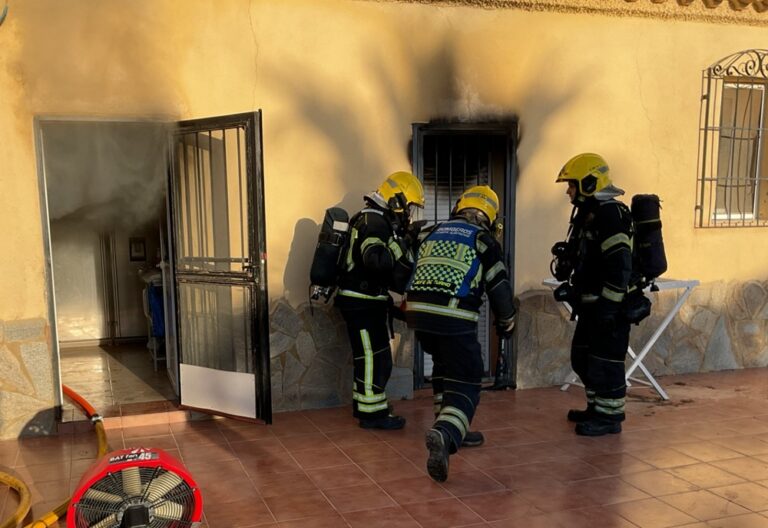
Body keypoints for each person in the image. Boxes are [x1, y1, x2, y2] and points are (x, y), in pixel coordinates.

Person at [405, 185, 516, 482]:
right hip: (452, 316)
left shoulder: (432, 231)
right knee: (468, 376)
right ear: (489, 217)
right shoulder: (483, 240)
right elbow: (499, 289)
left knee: (444, 363)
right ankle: (447, 432)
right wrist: (507, 321)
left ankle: (449, 423)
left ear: (459, 207)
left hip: (418, 314)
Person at [335, 171, 425, 430]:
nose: (409, 213)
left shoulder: (374, 219)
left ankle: (367, 408)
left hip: (367, 301)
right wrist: (404, 241)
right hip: (361, 302)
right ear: (397, 200)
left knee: (370, 357)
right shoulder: (374, 222)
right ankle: (372, 415)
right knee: (375, 358)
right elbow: (375, 261)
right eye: (409, 206)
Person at [552, 153, 633, 436]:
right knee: (583, 358)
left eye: (572, 185)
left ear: (588, 182)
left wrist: (609, 308)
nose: (568, 191)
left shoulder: (611, 214)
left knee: (606, 361)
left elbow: (620, 264)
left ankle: (610, 418)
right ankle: (596, 408)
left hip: (609, 306)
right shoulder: (587, 215)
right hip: (590, 304)